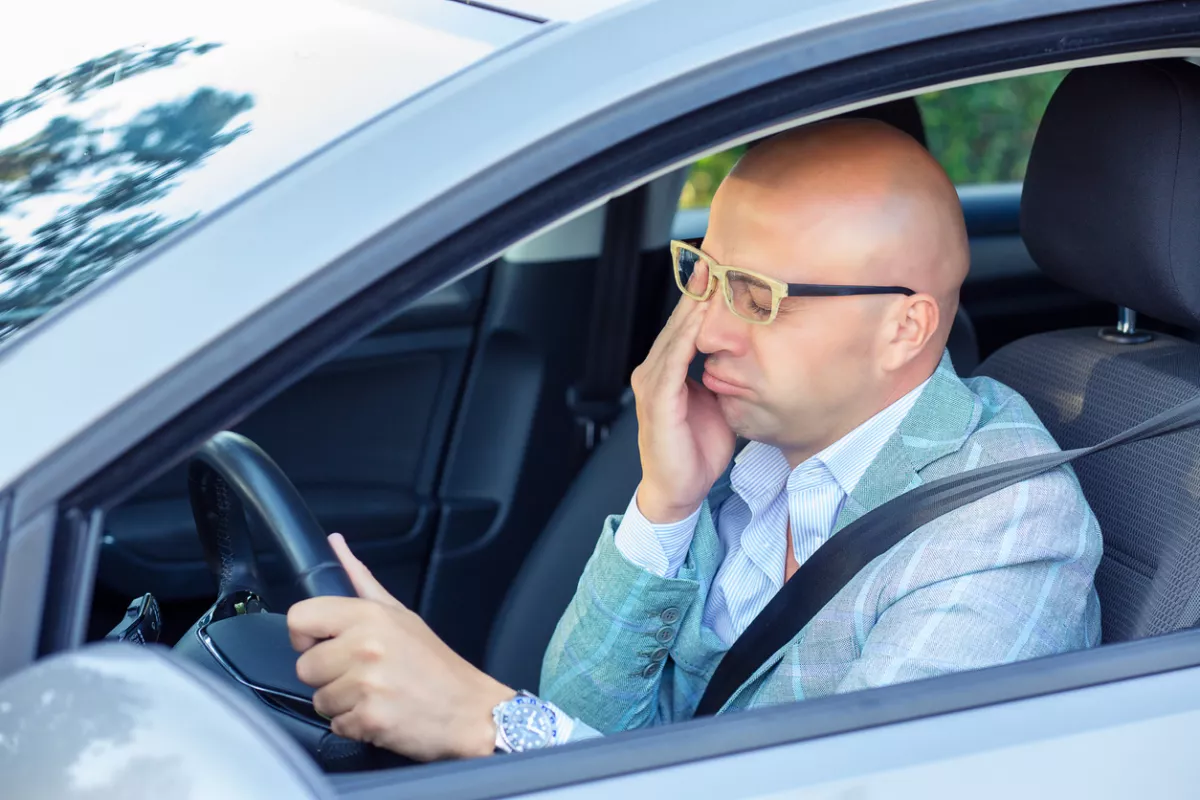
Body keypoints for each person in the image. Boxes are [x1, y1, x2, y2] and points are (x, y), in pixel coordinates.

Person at [286, 119, 1103, 761]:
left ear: (904, 328)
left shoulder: (1005, 525)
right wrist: (665, 505)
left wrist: (489, 723)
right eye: (704, 275)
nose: (705, 329)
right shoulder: (749, 451)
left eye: (756, 295)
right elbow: (588, 717)